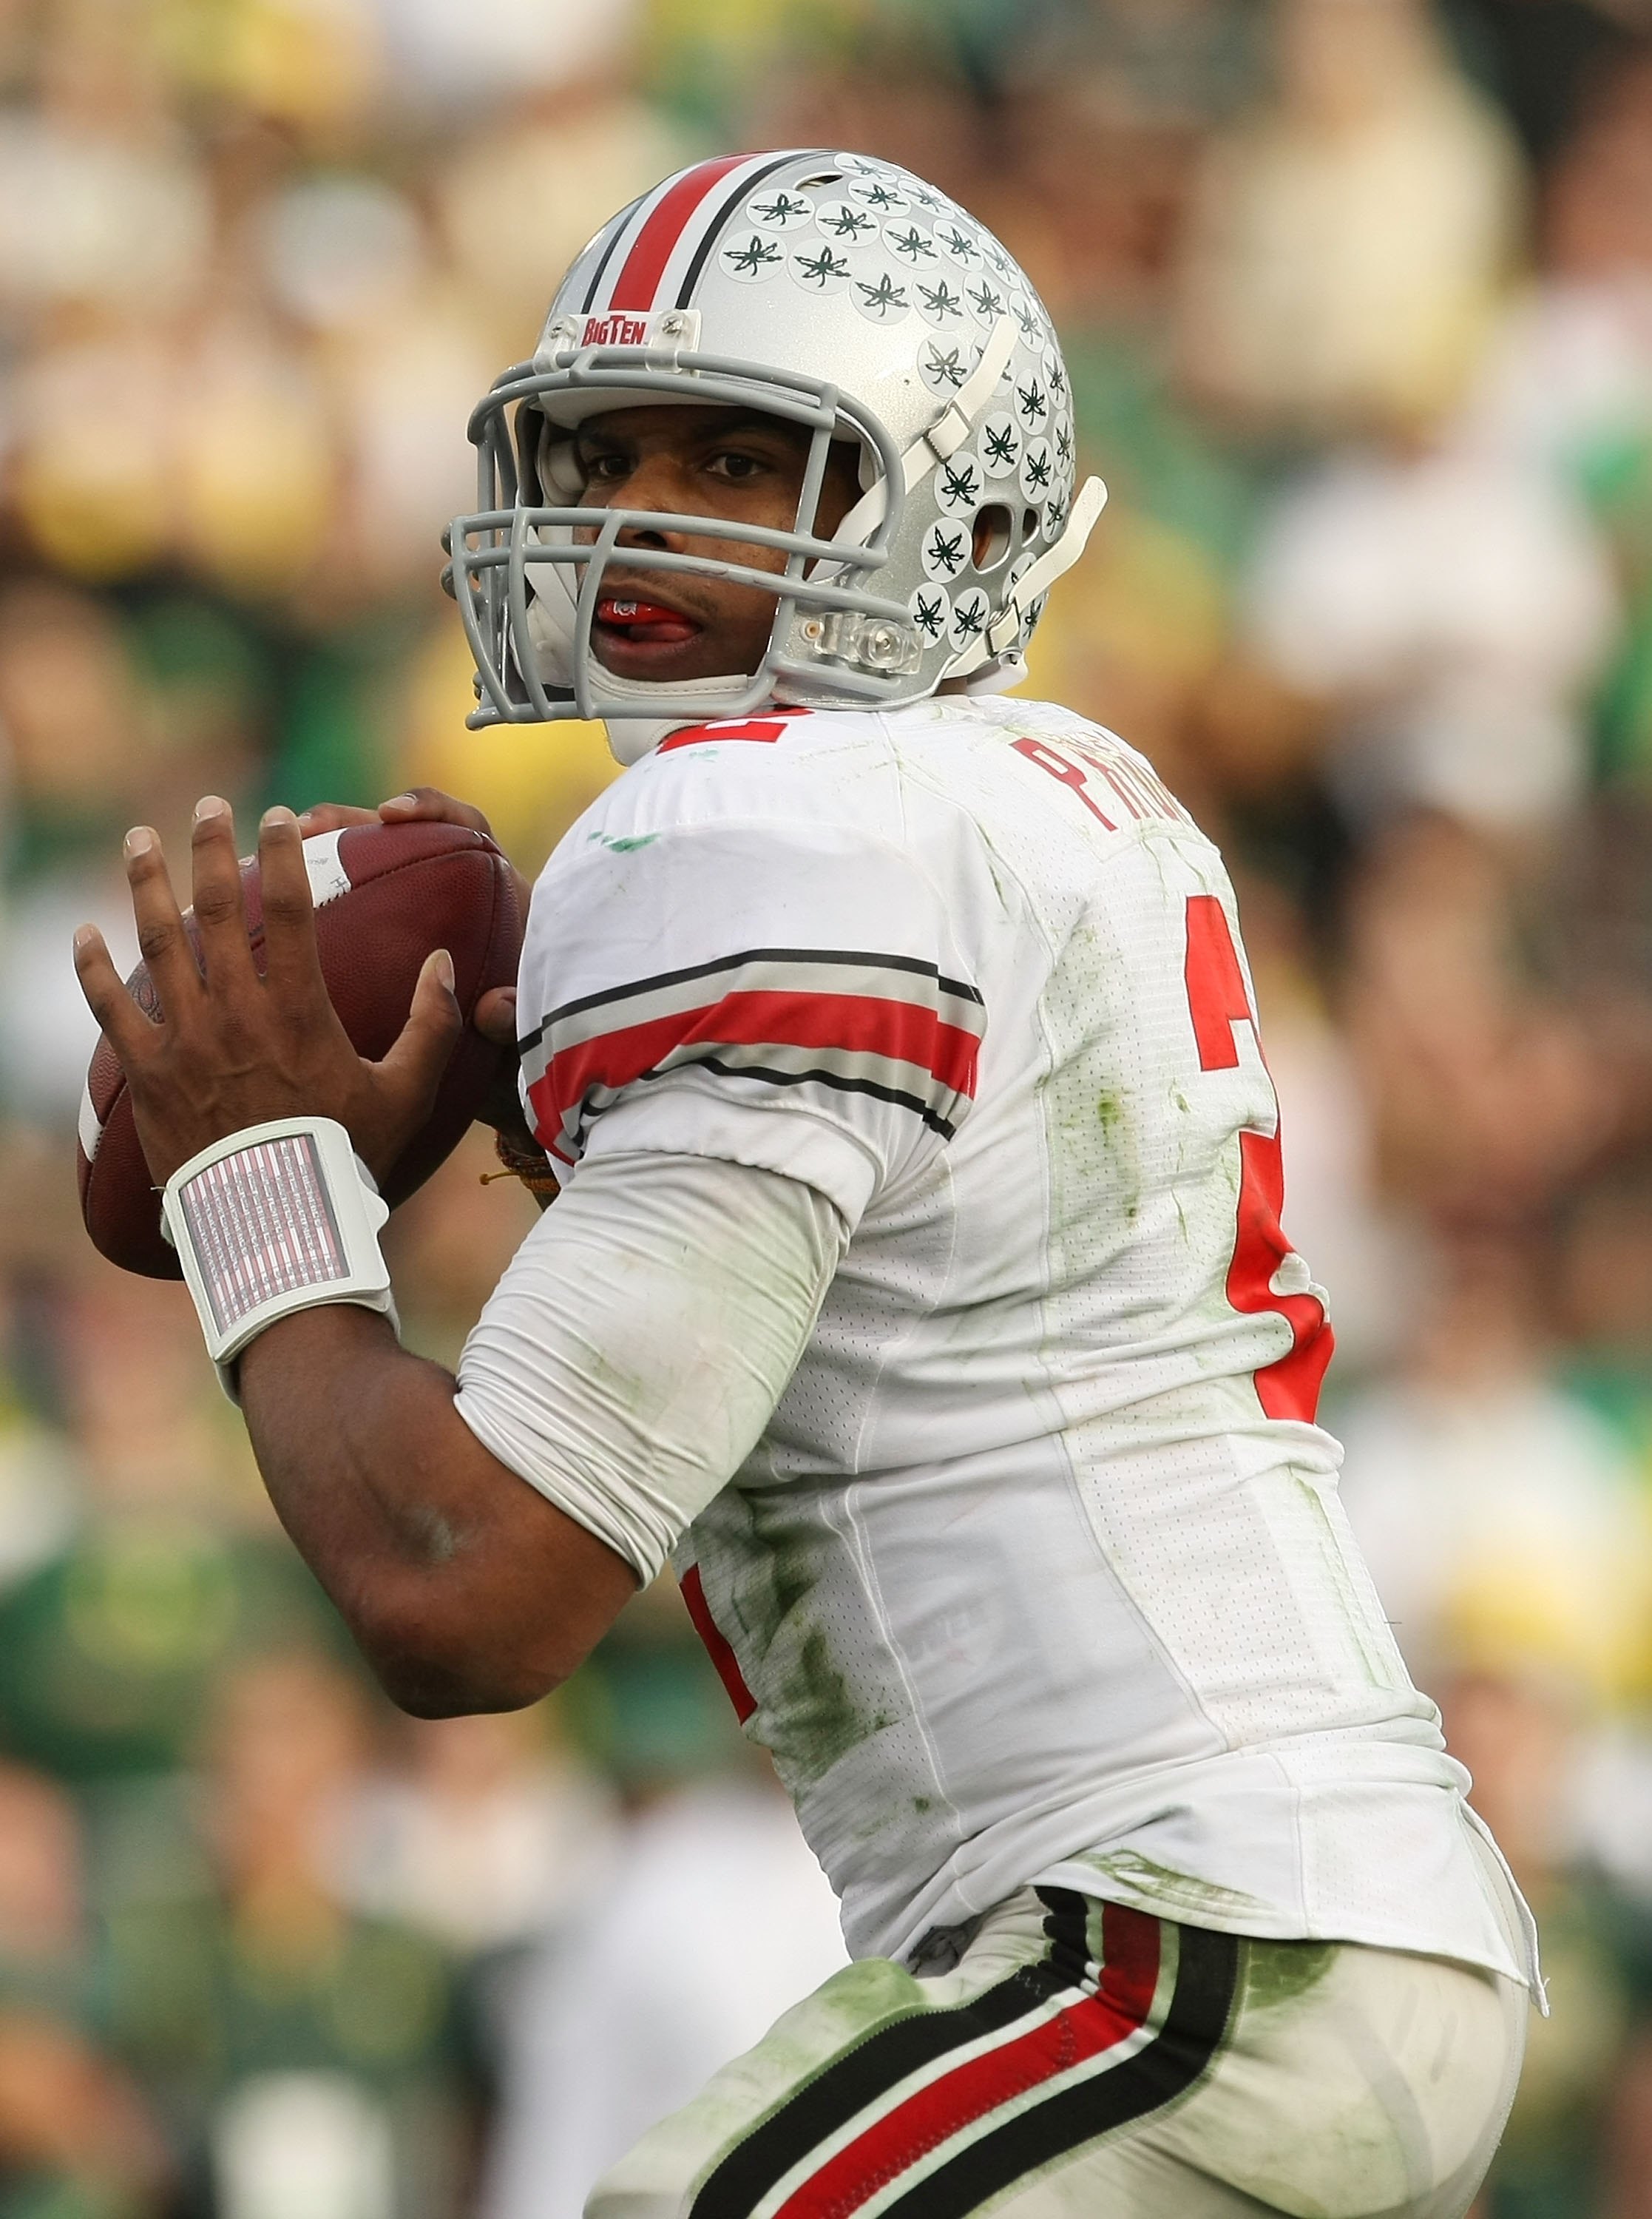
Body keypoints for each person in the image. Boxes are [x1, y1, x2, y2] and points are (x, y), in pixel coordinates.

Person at [73, 150, 1539, 2218]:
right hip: (1282, 1933)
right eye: (609, 449)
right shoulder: (1046, 801)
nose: (646, 514)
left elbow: (460, 1585)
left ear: (965, 510)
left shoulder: (769, 837)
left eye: (744, 461)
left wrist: (259, 1183)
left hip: (1175, 1945)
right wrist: (523, 1087)